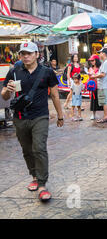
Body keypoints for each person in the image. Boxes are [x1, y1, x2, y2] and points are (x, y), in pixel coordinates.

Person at [1, 42, 64, 202]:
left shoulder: (47, 72)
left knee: (39, 148)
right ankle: (34, 176)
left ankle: (42, 184)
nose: (26, 56)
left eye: (29, 53)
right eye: (23, 54)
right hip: (20, 117)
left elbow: (55, 95)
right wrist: (7, 91)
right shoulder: (14, 71)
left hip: (40, 116)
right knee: (27, 150)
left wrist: (60, 115)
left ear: (37, 54)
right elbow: (4, 96)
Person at [89, 48, 107, 123]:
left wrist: (94, 76)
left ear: (104, 54)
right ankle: (106, 116)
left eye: (100, 53)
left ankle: (105, 117)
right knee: (106, 101)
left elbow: (102, 74)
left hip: (103, 85)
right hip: (104, 85)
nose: (99, 54)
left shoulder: (106, 63)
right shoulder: (106, 62)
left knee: (105, 102)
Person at [88, 54, 103, 120]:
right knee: (94, 101)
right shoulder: (90, 68)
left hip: (100, 86)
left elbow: (102, 75)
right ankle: (93, 114)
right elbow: (89, 77)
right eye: (91, 61)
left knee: (102, 100)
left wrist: (95, 75)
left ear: (96, 60)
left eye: (93, 60)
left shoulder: (101, 67)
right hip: (93, 87)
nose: (91, 62)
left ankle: (105, 114)